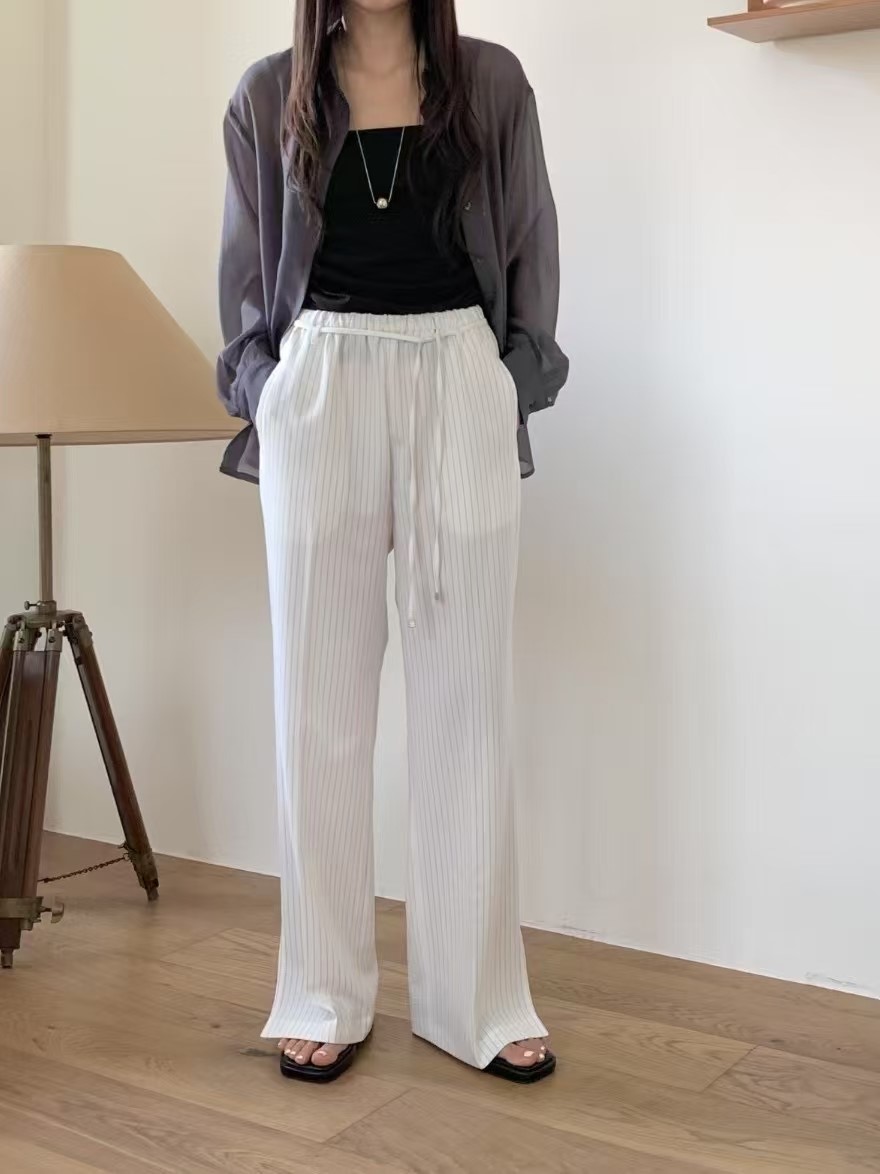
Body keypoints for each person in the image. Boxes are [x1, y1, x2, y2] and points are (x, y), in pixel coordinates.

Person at [217, 0, 568, 1085]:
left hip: (458, 373)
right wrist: (271, 394)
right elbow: (244, 281)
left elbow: (531, 244)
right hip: (320, 383)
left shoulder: (490, 83)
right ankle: (322, 988)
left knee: (468, 701)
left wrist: (506, 383)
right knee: (317, 707)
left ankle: (478, 999)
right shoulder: (267, 94)